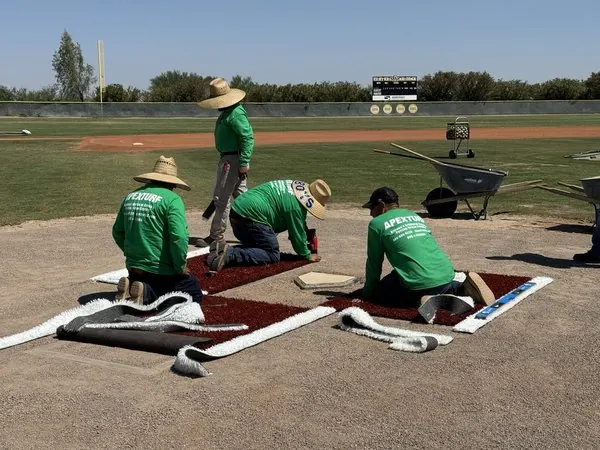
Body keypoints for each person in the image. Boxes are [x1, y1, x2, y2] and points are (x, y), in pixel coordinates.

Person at [360, 186, 495, 306]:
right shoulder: (414, 216)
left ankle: (421, 299)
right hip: (446, 275)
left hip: (418, 285)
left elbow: (374, 263)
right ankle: (460, 289)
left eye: (372, 208)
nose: (371, 213)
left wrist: (368, 294)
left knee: (382, 292)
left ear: (381, 204)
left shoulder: (377, 224)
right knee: (399, 275)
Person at [112, 156, 203, 304]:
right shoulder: (172, 200)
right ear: (172, 184)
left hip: (134, 267)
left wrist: (133, 253)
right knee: (193, 293)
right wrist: (180, 267)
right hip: (160, 270)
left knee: (144, 281)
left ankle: (132, 285)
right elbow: (179, 237)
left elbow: (117, 231)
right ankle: (148, 292)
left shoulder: (131, 196)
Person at [206, 179, 331, 271]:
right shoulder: (295, 208)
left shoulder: (292, 189)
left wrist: (305, 230)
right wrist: (307, 254)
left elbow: (297, 221)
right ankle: (229, 253)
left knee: (259, 245)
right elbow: (296, 237)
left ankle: (221, 248)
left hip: (238, 213)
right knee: (272, 254)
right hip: (252, 218)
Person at [195, 77, 254, 249]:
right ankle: (260, 229)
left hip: (232, 160)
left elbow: (247, 137)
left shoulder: (234, 114)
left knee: (221, 198)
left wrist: (244, 162)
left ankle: (216, 236)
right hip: (229, 158)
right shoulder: (229, 113)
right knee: (243, 199)